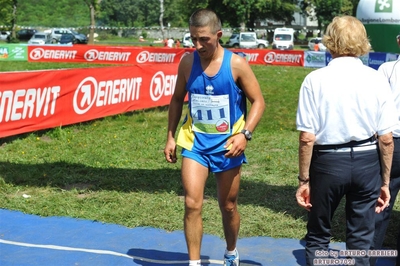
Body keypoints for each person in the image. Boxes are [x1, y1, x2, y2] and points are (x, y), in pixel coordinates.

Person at [164, 8, 265, 266]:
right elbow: (176, 99)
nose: (198, 45)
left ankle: (231, 251)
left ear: (218, 35)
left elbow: (258, 102)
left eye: (204, 39)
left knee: (228, 206)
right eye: (192, 39)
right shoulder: (187, 63)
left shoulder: (236, 64)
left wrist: (245, 134)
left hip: (228, 147)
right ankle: (194, 263)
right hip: (195, 144)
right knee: (191, 203)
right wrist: (171, 137)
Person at [295, 16, 397, 266]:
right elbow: (386, 139)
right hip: (366, 162)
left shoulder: (314, 80)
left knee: (319, 235)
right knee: (361, 237)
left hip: (327, 162)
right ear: (363, 42)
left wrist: (303, 179)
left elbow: (307, 137)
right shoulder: (376, 79)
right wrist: (385, 181)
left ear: (330, 41)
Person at [371, 33, 400, 266]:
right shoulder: (386, 70)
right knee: (382, 201)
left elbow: (376, 108)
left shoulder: (386, 69)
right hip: (392, 140)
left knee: (382, 201)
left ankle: (369, 258)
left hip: (392, 142)